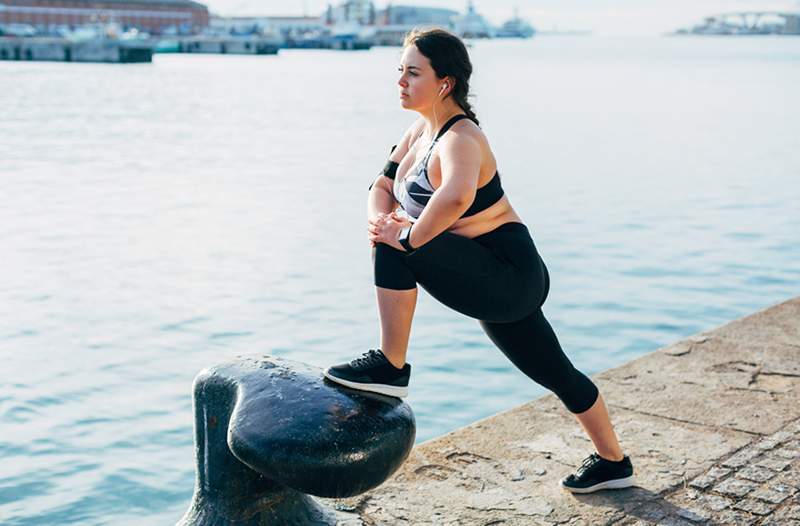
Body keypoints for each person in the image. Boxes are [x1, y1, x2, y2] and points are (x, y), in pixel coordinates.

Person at [323, 28, 635, 494]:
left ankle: (392, 365)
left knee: (395, 245)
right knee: (557, 373)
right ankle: (615, 462)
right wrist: (382, 223)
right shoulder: (417, 131)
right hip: (479, 271)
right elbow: (381, 186)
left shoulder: (462, 138)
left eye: (413, 73)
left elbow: (454, 197)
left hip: (508, 274)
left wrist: (403, 236)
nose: (401, 82)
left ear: (444, 82)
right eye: (400, 72)